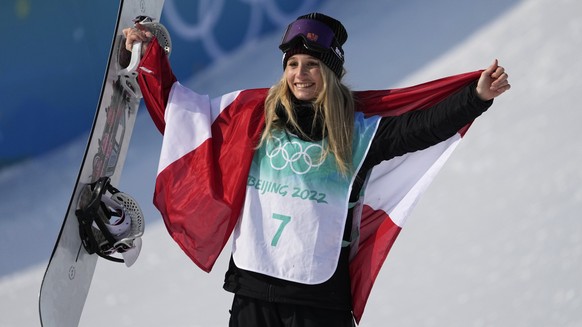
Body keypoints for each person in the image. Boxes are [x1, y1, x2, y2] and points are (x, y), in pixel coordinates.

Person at [124, 12, 509, 327]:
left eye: (311, 64)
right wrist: (149, 54)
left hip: (320, 301)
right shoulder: (253, 115)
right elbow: (183, 119)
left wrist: (475, 98)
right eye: (292, 64)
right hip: (253, 291)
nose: (300, 74)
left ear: (331, 71)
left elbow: (421, 128)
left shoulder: (358, 134)